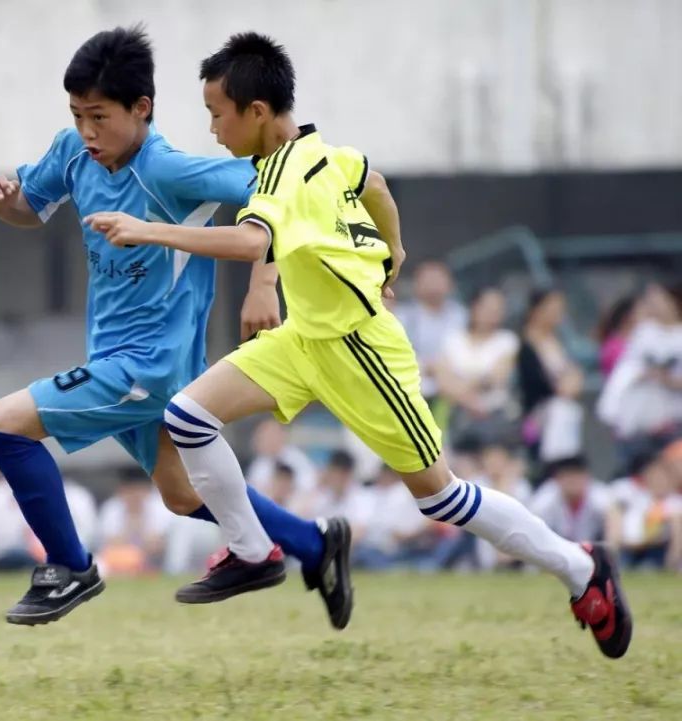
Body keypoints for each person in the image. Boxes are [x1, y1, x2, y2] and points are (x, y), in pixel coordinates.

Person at [86, 32, 631, 657]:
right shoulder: (325, 152)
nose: (212, 129)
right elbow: (374, 182)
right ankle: (252, 551)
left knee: (444, 497)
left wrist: (146, 230)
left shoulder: (281, 178)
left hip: (359, 351)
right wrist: (393, 250)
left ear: (257, 112)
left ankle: (581, 569)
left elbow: (249, 244)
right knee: (188, 415)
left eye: (217, 113)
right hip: (304, 339)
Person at [0, 26, 337, 625]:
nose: (88, 131)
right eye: (77, 114)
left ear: (141, 108)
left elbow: (283, 196)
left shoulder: (168, 171)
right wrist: (2, 203)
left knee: (4, 427)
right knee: (184, 494)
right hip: (117, 358)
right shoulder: (72, 152)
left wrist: (265, 281)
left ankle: (69, 568)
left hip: (150, 366)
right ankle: (317, 543)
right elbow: (29, 208)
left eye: (100, 116)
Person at [597, 283, 682, 465]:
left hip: (675, 420)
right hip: (643, 422)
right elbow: (626, 370)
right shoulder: (644, 333)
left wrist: (667, 379)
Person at [435, 287, 520, 448]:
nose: (492, 313)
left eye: (497, 309)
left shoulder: (507, 340)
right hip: (457, 412)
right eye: (487, 307)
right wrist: (468, 400)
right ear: (474, 307)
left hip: (494, 413)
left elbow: (496, 377)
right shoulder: (453, 339)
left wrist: (460, 385)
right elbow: (443, 381)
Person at [517, 289, 585, 465]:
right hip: (538, 415)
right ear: (537, 310)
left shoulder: (558, 342)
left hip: (564, 410)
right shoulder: (523, 344)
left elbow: (575, 377)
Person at [394, 261, 468, 410]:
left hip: (457, 381)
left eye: (438, 278)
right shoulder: (403, 316)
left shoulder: (461, 314)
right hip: (418, 385)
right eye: (428, 279)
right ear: (416, 284)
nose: (433, 284)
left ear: (450, 283)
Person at [606, 453, 682, 570]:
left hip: (656, 549)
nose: (659, 482)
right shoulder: (639, 497)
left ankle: (670, 565)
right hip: (629, 547)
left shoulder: (675, 501)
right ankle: (610, 560)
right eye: (655, 477)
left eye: (662, 478)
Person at [528, 456, 611, 543]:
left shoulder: (597, 494)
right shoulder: (547, 496)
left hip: (592, 547)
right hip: (555, 547)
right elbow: (532, 524)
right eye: (568, 476)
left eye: (577, 475)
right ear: (557, 479)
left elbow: (613, 515)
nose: (573, 481)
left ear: (587, 477)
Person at [244, 419, 316, 494]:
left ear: (281, 435)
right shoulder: (259, 464)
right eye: (262, 437)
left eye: (269, 435)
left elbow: (308, 487)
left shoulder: (297, 459)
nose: (265, 440)